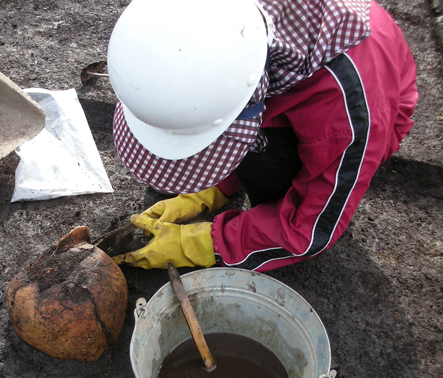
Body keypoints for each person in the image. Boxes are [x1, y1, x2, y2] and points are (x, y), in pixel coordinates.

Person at [107, 0, 418, 271]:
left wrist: (201, 244)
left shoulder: (346, 106)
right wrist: (208, 191)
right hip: (285, 92)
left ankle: (268, 201)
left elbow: (310, 228)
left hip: (363, 121)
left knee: (273, 171)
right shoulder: (210, 31)